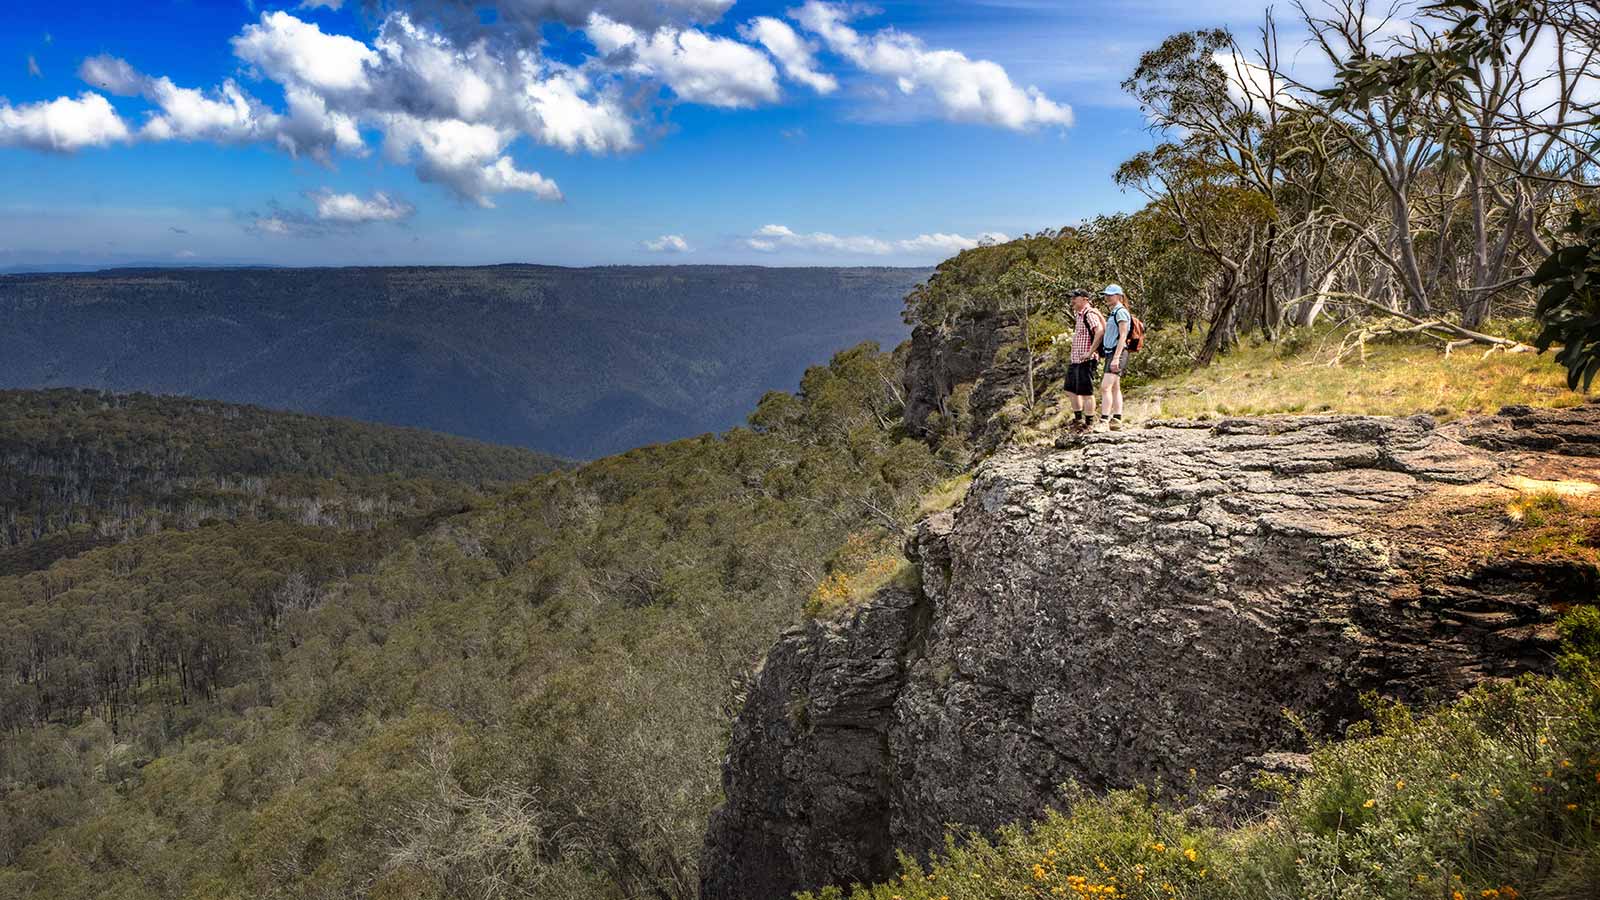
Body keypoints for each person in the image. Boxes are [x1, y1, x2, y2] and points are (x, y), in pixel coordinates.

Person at [1062, 288, 1104, 431]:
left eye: (1075, 298)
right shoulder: (1079, 315)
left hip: (1086, 360)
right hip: (1076, 360)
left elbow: (1099, 331)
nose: (1072, 300)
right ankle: (1078, 419)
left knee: (1086, 393)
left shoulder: (1089, 313)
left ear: (1085, 299)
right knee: (1070, 390)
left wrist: (1090, 352)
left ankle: (1089, 423)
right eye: (1071, 298)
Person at [1098, 284, 1131, 431]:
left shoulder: (1121, 312)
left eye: (1110, 295)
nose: (1107, 298)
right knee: (1115, 387)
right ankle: (1116, 419)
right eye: (1106, 295)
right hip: (1111, 352)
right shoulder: (1113, 313)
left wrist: (1116, 357)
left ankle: (1104, 420)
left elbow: (1123, 335)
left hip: (1117, 353)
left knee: (1105, 387)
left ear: (1119, 296)